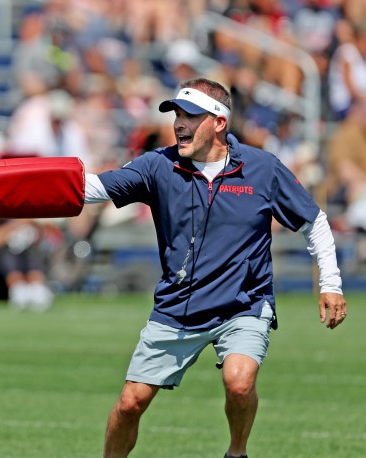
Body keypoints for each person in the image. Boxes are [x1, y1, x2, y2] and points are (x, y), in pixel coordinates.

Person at [82, 77, 348, 457]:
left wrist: (332, 283)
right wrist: (21, 184)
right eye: (176, 114)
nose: (178, 123)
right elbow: (92, 188)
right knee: (130, 404)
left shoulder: (262, 168)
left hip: (244, 304)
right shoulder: (158, 164)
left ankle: (236, 452)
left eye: (190, 115)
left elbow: (314, 222)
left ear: (219, 122)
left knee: (239, 383)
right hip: (177, 307)